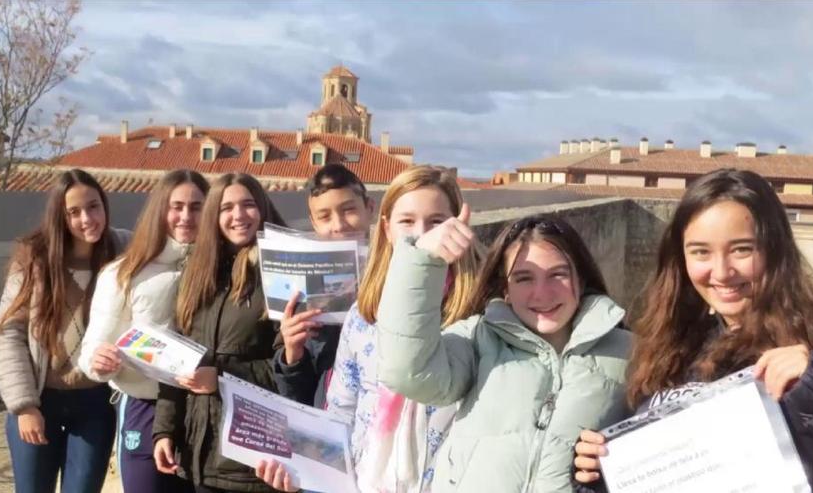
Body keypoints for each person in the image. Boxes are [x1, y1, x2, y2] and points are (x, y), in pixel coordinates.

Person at [573, 169, 813, 493]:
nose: (722, 272)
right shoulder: (673, 344)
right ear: (681, 257)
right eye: (701, 251)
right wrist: (602, 471)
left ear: (775, 249)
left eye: (742, 249)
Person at [257, 165, 481, 492]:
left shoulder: (479, 314)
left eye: (436, 221)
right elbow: (341, 413)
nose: (423, 233)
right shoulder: (362, 315)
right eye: (407, 221)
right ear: (387, 228)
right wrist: (305, 472)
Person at [375, 210, 633, 492]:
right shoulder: (477, 338)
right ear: (505, 288)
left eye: (557, 274)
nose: (542, 293)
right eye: (524, 278)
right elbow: (408, 372)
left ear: (581, 281)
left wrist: (618, 459)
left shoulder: (630, 353)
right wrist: (422, 261)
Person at [0, 169, 130, 493]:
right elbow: (8, 335)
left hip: (96, 402)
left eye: (94, 206)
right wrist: (24, 406)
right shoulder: (34, 258)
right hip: (41, 399)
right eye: (74, 212)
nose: (88, 219)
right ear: (60, 216)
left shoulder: (125, 249)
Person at [152, 173, 286, 493]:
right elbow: (177, 361)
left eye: (248, 204)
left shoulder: (279, 272)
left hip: (254, 462)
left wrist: (223, 377)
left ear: (263, 209)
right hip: (198, 454)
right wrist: (164, 431)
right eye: (227, 207)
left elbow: (290, 370)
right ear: (215, 215)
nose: (238, 215)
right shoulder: (197, 275)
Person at [78, 170, 208, 493]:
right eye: (176, 206)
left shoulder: (224, 270)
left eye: (196, 206)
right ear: (159, 209)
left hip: (206, 410)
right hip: (143, 408)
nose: (185, 216)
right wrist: (99, 360)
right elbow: (93, 348)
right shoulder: (123, 273)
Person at [272, 164, 375, 409]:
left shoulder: (397, 271)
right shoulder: (305, 290)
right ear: (314, 223)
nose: (338, 225)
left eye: (349, 210)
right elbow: (299, 396)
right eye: (325, 216)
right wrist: (292, 354)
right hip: (327, 423)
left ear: (369, 208)